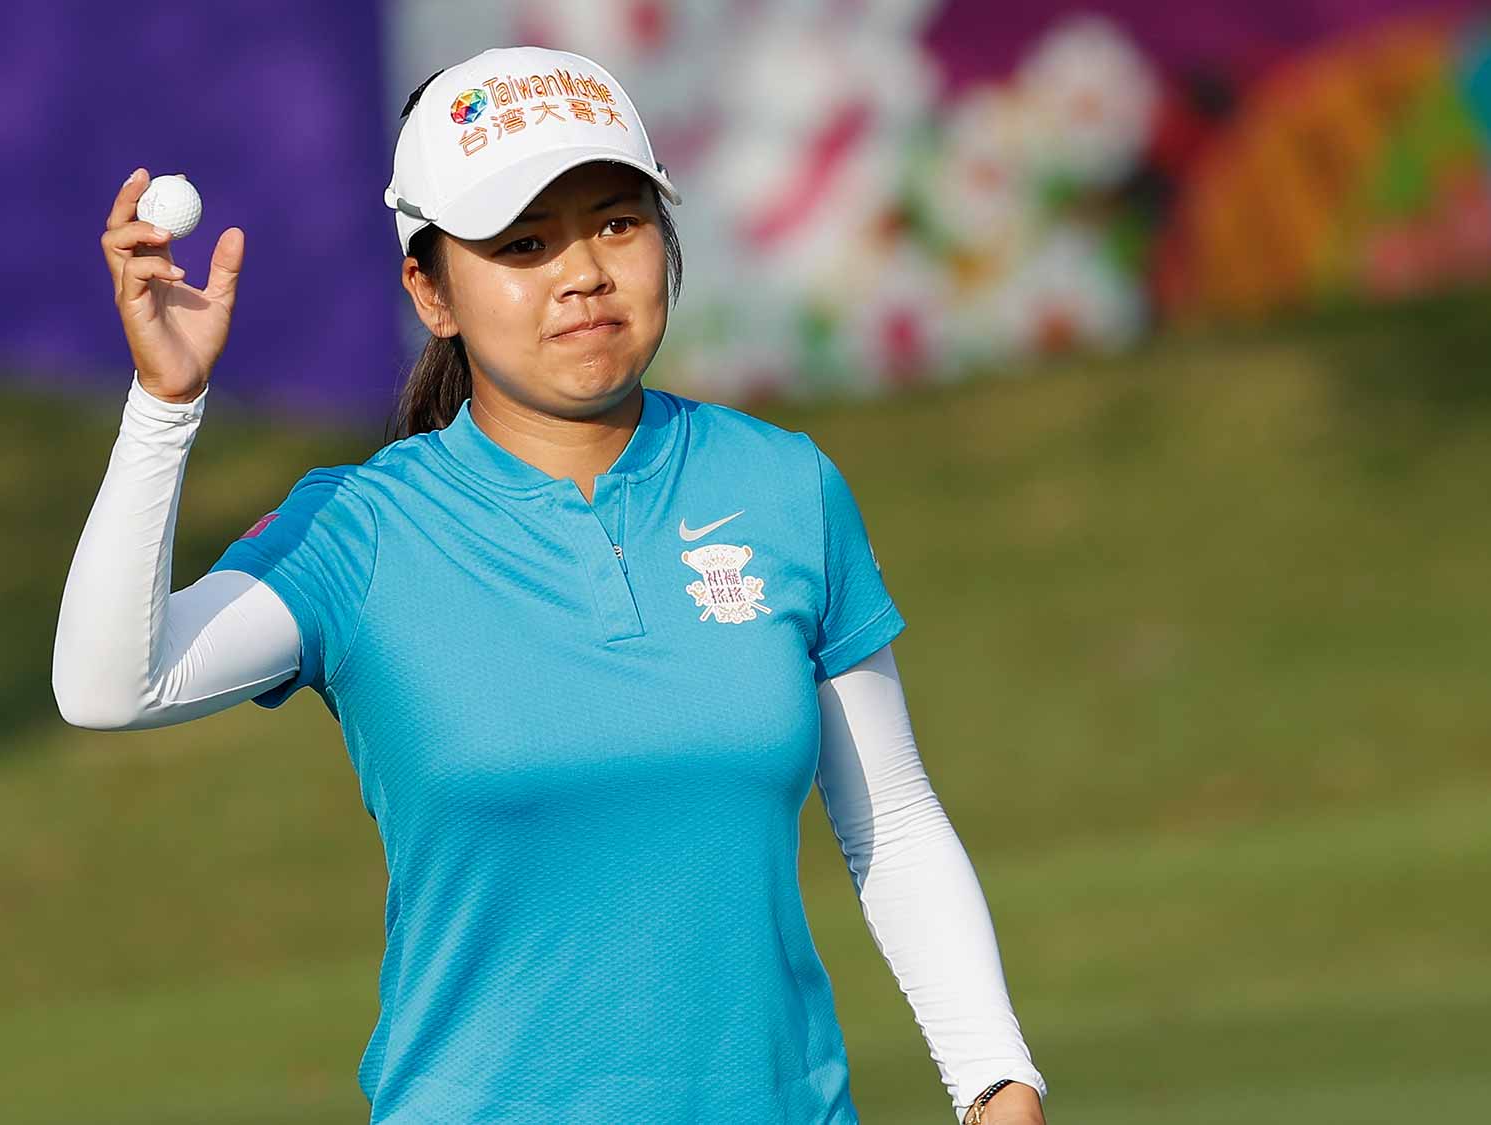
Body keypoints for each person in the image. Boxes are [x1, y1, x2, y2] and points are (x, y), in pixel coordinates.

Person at [54, 44, 1047, 1125]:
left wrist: (995, 1083)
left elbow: (889, 822)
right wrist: (164, 405)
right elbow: (112, 684)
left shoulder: (781, 486)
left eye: (615, 222)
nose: (582, 273)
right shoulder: (362, 527)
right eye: (522, 244)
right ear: (430, 291)